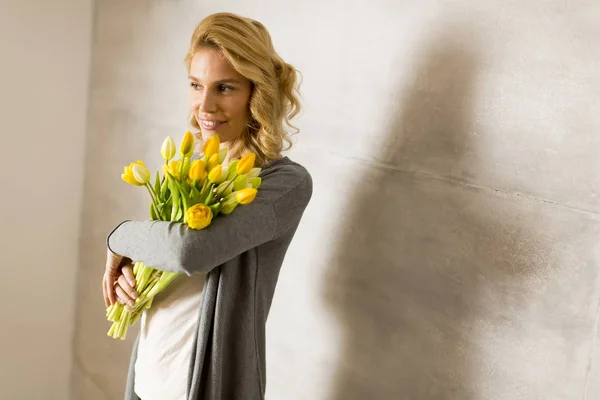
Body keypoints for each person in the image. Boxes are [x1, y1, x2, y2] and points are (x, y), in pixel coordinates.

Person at [102, 12, 312, 400]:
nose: (205, 105)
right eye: (197, 85)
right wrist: (137, 270)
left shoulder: (283, 184)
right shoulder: (195, 170)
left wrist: (119, 238)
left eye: (225, 88)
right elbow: (170, 257)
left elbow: (190, 250)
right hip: (148, 383)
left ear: (256, 91)